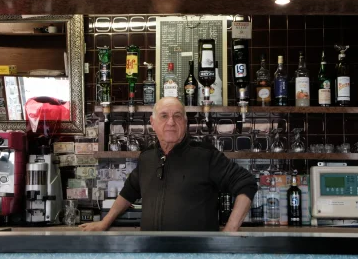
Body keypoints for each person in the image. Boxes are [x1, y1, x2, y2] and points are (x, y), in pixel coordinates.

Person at [80, 97, 257, 232]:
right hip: (152, 255)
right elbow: (128, 192)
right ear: (153, 123)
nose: (171, 122)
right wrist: (105, 222)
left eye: (177, 116)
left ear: (185, 123)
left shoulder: (205, 155)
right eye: (164, 116)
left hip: (196, 258)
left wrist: (230, 230)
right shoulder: (147, 158)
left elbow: (246, 183)